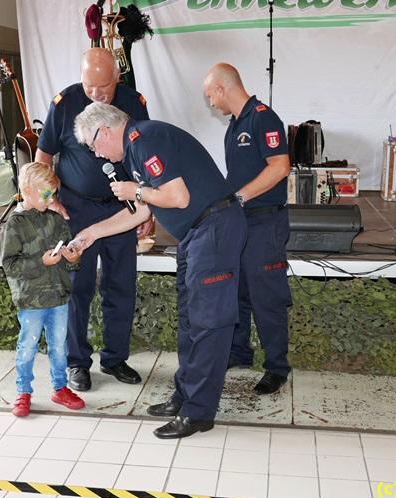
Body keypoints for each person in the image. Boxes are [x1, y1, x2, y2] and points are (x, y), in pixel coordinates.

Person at [72, 102, 246, 439]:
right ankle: (184, 397)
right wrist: (91, 233)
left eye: (93, 145)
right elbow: (140, 212)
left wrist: (134, 190)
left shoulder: (144, 139)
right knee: (191, 321)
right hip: (197, 234)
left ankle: (198, 412)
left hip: (213, 229)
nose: (96, 154)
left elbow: (178, 198)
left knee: (208, 324)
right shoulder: (136, 149)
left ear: (104, 131)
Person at [35, 48, 151, 392]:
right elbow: (44, 154)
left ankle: (115, 358)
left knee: (121, 284)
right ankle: (76, 362)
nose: (96, 94)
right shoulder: (65, 102)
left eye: (104, 87)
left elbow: (145, 155)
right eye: (90, 87)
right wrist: (48, 198)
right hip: (76, 207)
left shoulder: (133, 102)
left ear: (117, 77)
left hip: (121, 207)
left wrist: (148, 206)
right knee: (77, 286)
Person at [203, 63, 292, 395]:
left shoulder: (262, 118)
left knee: (266, 296)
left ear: (222, 88)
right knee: (237, 290)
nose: (211, 103)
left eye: (210, 95)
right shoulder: (235, 125)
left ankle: (277, 367)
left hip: (265, 222)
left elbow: (280, 167)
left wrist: (239, 197)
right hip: (241, 222)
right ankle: (239, 352)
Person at [0, 161, 86, 417]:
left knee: (59, 347)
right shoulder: (14, 224)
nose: (51, 200)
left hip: (58, 296)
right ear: (27, 190)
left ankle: (60, 388)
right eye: (46, 194)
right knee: (27, 347)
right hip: (31, 300)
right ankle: (23, 392)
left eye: (53, 194)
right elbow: (10, 265)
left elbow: (68, 258)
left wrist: (73, 258)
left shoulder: (56, 219)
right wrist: (41, 262)